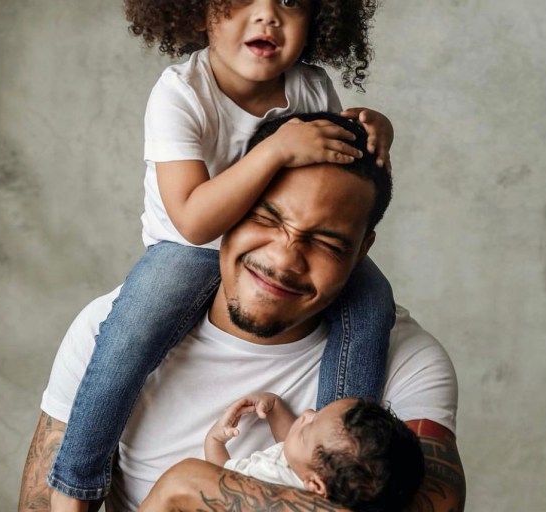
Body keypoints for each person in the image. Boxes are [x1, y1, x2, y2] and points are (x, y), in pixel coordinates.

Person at [18, 113, 465, 512]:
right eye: (268, 219)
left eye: (328, 242)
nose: (285, 259)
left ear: (363, 250)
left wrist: (189, 487)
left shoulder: (407, 361)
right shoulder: (113, 329)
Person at [48, 0, 398, 506]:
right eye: (241, 1)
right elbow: (192, 219)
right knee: (126, 338)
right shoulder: (181, 93)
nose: (268, 16)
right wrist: (275, 150)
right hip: (188, 249)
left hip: (276, 238)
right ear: (196, 12)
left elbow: (332, 180)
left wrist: (370, 133)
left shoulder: (310, 85)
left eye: (290, 3)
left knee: (372, 299)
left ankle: (332, 467)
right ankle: (75, 485)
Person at [200, 392, 425, 511]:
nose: (306, 413)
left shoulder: (267, 477)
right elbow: (294, 445)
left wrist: (214, 440)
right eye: (316, 413)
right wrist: (275, 407)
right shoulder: (318, 478)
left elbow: (220, 475)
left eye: (308, 426)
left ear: (315, 485)